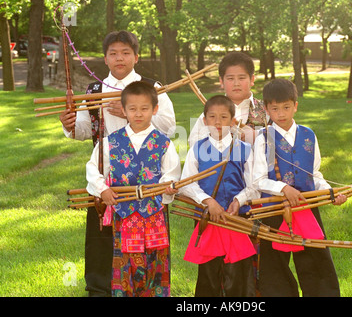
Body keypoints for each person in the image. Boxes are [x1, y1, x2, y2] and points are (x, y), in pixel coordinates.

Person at [59, 31, 176, 297]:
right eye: (113, 53)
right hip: (107, 178)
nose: (119, 58)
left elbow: (169, 127)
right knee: (102, 240)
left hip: (146, 179)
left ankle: (147, 288)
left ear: (136, 56)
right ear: (105, 58)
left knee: (148, 241)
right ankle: (101, 289)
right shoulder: (94, 90)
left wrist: (128, 111)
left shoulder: (151, 86)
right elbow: (85, 130)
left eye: (125, 52)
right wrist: (69, 126)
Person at [253, 79, 347, 297]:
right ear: (266, 109)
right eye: (274, 109)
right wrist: (283, 188)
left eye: (286, 107)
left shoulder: (308, 135)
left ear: (295, 105)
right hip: (274, 208)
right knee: (274, 263)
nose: (281, 113)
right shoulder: (263, 139)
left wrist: (330, 193)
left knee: (316, 257)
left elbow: (315, 175)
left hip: (307, 205)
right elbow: (257, 180)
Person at [85, 81, 181, 297]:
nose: (138, 114)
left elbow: (172, 173)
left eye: (144, 108)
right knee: (124, 260)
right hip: (125, 215)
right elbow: (93, 168)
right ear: (124, 110)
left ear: (155, 110)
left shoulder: (163, 143)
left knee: (156, 258)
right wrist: (103, 190)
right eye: (132, 109)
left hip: (154, 213)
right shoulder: (111, 142)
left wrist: (167, 187)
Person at [179, 95, 260, 297]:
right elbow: (186, 183)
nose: (217, 122)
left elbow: (255, 185)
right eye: (212, 117)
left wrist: (238, 200)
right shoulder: (197, 150)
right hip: (208, 219)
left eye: (223, 117)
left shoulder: (245, 150)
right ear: (204, 121)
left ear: (233, 121)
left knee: (238, 272)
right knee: (209, 272)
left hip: (237, 219)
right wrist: (207, 201)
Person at [188, 51, 268, 147]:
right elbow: (194, 144)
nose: (236, 83)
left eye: (241, 78)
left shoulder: (267, 110)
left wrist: (258, 136)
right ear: (221, 81)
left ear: (252, 79)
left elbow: (283, 141)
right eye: (230, 78)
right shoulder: (210, 114)